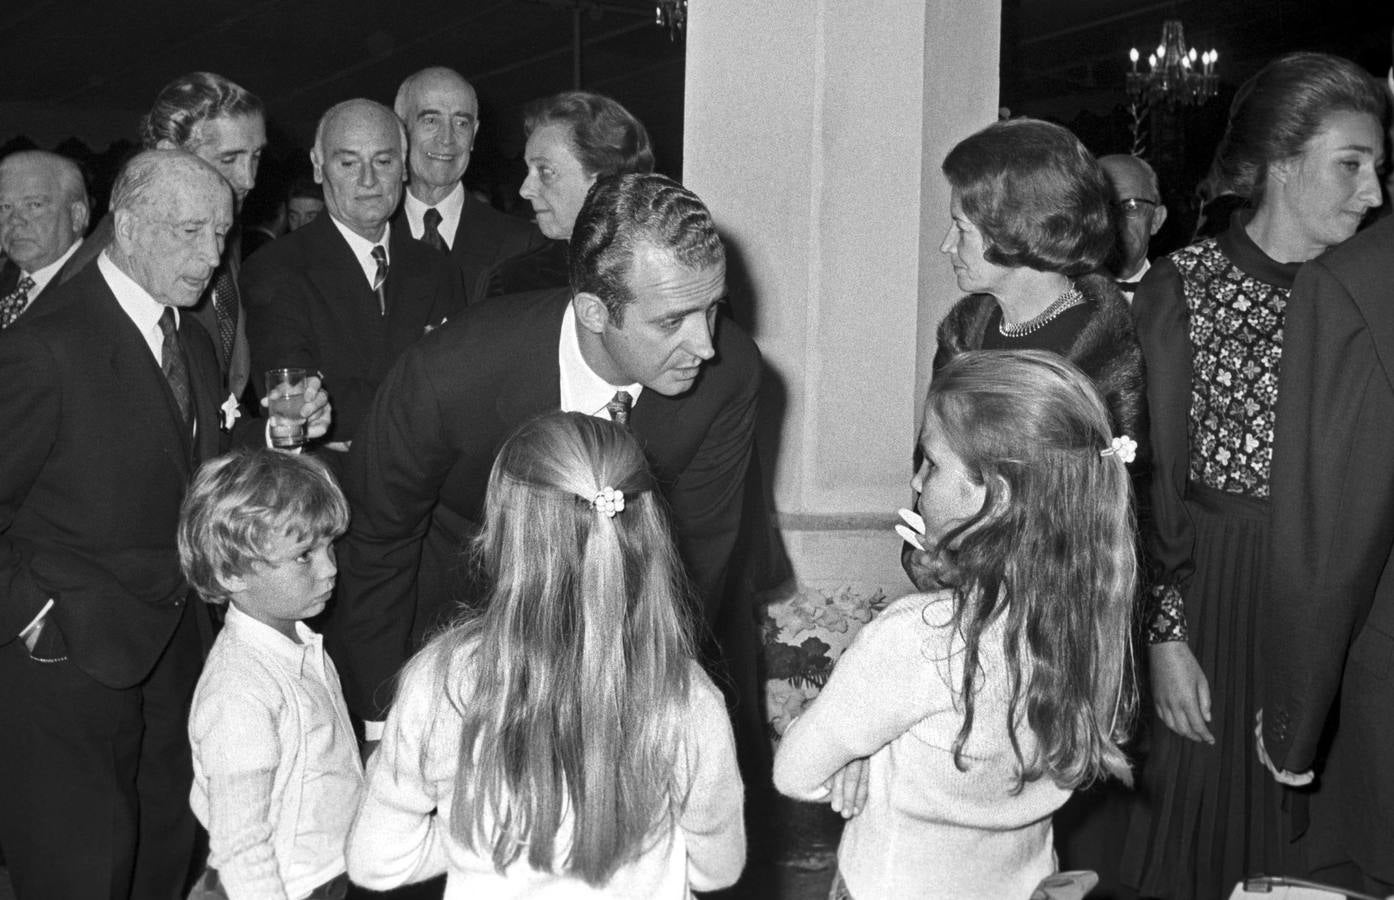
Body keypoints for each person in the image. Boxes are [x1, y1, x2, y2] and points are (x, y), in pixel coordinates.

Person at [0, 149, 329, 899]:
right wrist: (32, 617)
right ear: (129, 226)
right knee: (81, 872)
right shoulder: (44, 347)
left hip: (174, 644)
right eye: (190, 232)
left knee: (160, 858)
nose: (212, 255)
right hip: (65, 659)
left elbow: (192, 462)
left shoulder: (183, 335)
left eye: (221, 232)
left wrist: (277, 439)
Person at [333, 172, 760, 744]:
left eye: (712, 308)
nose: (705, 345)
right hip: (458, 648)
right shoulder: (449, 374)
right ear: (593, 312)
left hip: (623, 663)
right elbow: (377, 544)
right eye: (671, 321)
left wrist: (636, 710)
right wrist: (383, 722)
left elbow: (696, 560)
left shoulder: (730, 375)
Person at [1122, 52, 1386, 900]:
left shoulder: (1372, 295)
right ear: (1281, 160)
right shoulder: (1185, 288)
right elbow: (1151, 479)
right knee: (1205, 842)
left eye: (1380, 168)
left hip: (1349, 605)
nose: (1374, 192)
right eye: (1351, 165)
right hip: (1218, 597)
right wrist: (1165, 637)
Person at [775, 350, 1137, 900]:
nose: (917, 480)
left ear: (995, 496)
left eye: (932, 463)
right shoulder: (1089, 623)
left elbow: (795, 772)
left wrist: (864, 758)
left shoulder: (915, 637)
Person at [347, 411, 746, 895]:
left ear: (498, 534)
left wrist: (484, 838)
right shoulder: (686, 696)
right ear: (650, 534)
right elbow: (718, 868)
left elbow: (377, 862)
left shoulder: (441, 681)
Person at [1260, 99, 1394, 897]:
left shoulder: (1356, 284)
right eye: (1354, 164)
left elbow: (1334, 535)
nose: (1374, 192)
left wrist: (1293, 728)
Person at [180, 449, 362, 900]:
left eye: (329, 546)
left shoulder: (298, 641)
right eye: (304, 555)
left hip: (323, 871)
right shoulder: (239, 692)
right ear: (232, 573)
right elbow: (241, 849)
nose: (330, 568)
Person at [242, 98, 466, 452]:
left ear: (404, 168)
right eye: (348, 162)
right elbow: (297, 402)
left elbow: (461, 394)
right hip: (331, 494)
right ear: (318, 167)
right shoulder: (274, 269)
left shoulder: (437, 268)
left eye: (383, 161)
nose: (368, 180)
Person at [933, 118, 1145, 443]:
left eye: (961, 229)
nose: (946, 245)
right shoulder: (962, 335)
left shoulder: (1101, 358)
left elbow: (1106, 488)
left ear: (1019, 229)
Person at [69, 71, 267, 406]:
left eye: (257, 157)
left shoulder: (221, 232)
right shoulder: (120, 257)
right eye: (229, 159)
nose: (248, 179)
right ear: (168, 154)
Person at [391, 66, 545, 303]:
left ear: (474, 134)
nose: (446, 138)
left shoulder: (522, 244)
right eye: (431, 120)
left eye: (461, 123)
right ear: (400, 129)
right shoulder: (368, 233)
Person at [481, 90, 654, 298]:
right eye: (528, 171)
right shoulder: (514, 283)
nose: (525, 190)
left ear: (602, 179)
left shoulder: (666, 269)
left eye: (545, 171)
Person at [0, 150, 90, 328]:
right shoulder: (6, 277)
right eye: (4, 206)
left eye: (34, 205)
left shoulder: (101, 288)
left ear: (77, 216)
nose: (15, 220)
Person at [1098, 153, 1168, 298]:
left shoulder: (1181, 295)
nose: (1116, 220)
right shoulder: (1055, 298)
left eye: (1131, 206)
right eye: (1104, 207)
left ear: (1156, 219)